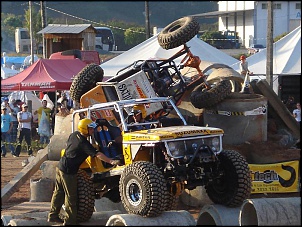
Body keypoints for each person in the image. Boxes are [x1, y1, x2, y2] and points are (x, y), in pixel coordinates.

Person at [47, 118, 121, 225]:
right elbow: (97, 154)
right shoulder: (83, 144)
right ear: (85, 129)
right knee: (71, 197)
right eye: (91, 129)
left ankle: (52, 216)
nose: (93, 131)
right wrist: (111, 161)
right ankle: (70, 222)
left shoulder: (74, 135)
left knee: (58, 192)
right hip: (69, 171)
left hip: (60, 167)